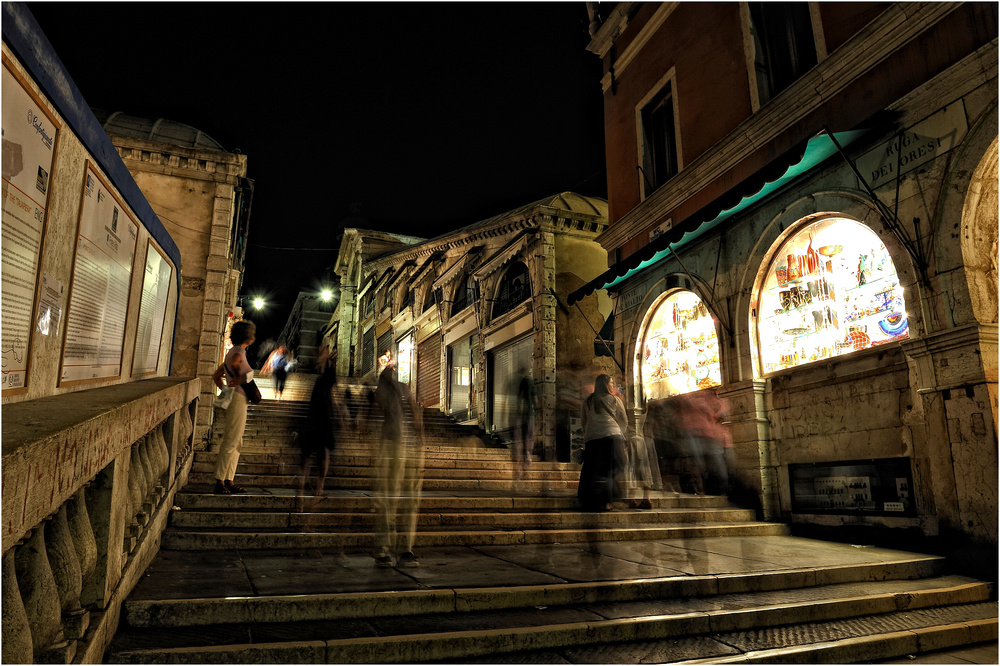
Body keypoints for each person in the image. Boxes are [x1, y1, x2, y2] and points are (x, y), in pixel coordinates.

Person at [369, 362, 424, 568]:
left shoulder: (399, 389)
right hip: (395, 447)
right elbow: (379, 413)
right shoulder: (387, 390)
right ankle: (390, 549)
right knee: (394, 499)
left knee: (403, 500)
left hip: (403, 448)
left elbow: (415, 417)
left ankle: (399, 549)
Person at [211, 320, 256, 495]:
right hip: (238, 398)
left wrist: (226, 388)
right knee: (232, 440)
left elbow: (216, 376)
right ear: (247, 335)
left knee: (237, 441)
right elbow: (236, 364)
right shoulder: (238, 352)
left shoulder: (233, 352)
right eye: (251, 332)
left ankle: (229, 480)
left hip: (235, 396)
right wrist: (240, 378)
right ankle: (220, 481)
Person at [297, 347, 346, 499]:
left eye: (323, 351)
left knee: (322, 453)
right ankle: (303, 485)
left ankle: (320, 485)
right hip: (314, 413)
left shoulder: (329, 372)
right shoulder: (319, 370)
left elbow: (333, 395)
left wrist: (339, 417)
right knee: (307, 453)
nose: (320, 353)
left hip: (323, 415)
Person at [577, 374, 630, 511]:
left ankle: (591, 500)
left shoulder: (588, 401)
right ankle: (607, 501)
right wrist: (619, 434)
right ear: (606, 385)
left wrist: (589, 434)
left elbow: (584, 421)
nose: (613, 386)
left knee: (593, 470)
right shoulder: (614, 400)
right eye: (612, 383)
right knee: (611, 469)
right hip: (613, 438)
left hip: (593, 439)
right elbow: (623, 421)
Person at [512, 369, 537, 479]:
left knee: (523, 434)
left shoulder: (523, 381)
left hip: (523, 413)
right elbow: (536, 400)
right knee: (530, 435)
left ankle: (524, 455)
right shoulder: (531, 383)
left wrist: (517, 410)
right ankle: (528, 454)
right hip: (531, 413)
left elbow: (520, 396)